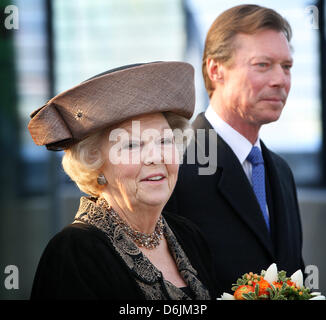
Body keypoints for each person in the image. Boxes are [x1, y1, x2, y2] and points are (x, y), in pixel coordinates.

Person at [28, 61, 217, 300]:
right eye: (131, 145)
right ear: (94, 163)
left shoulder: (189, 235)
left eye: (164, 141)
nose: (155, 156)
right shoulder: (74, 252)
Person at [165, 5, 305, 296]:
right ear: (216, 70)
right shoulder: (174, 163)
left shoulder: (280, 171)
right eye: (263, 65)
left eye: (287, 66)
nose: (280, 79)